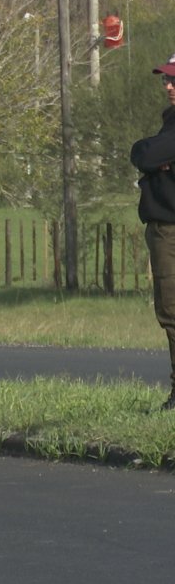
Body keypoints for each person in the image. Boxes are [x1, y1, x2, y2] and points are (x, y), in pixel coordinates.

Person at [130, 52, 175, 410]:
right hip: (163, 225)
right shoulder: (169, 120)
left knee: (171, 310)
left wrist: (157, 161)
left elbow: (144, 156)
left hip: (170, 230)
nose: (169, 85)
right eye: (165, 79)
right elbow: (145, 153)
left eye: (173, 79)